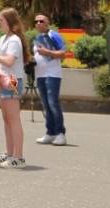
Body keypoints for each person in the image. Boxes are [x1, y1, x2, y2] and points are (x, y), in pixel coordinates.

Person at [0, 7, 28, 169]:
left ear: (9, 21)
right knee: (7, 119)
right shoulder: (3, 38)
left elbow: (9, 61)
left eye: (1, 19)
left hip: (13, 80)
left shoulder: (14, 40)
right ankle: (10, 152)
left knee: (13, 119)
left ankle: (18, 156)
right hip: (2, 80)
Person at [32, 13, 67, 146]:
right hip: (40, 75)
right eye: (36, 21)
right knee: (46, 105)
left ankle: (60, 133)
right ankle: (50, 132)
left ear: (47, 23)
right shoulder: (37, 38)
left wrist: (48, 53)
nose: (38, 23)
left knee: (53, 104)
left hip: (52, 75)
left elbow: (63, 53)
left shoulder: (54, 35)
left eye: (41, 21)